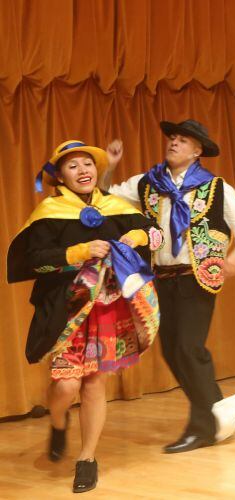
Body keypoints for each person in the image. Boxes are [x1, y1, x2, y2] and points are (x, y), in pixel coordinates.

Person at [7, 140, 162, 493]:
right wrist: (79, 251)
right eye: (73, 166)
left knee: (94, 384)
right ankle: (59, 421)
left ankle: (87, 458)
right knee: (66, 384)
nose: (83, 171)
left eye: (87, 164)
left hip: (106, 307)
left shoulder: (114, 206)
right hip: (67, 310)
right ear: (59, 175)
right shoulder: (49, 212)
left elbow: (155, 233)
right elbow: (36, 260)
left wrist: (137, 236)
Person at [101, 120, 235, 453]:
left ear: (197, 150)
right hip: (160, 277)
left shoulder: (215, 186)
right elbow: (106, 201)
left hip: (197, 275)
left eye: (182, 139)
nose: (173, 142)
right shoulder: (147, 183)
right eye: (171, 138)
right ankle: (218, 414)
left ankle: (203, 426)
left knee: (189, 347)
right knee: (172, 350)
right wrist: (109, 168)